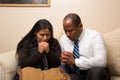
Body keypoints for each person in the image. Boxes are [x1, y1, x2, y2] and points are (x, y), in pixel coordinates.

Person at [60, 13, 110, 80]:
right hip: (75, 74)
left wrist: (75, 61)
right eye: (65, 31)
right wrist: (65, 60)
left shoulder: (95, 36)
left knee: (96, 71)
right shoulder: (63, 39)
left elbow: (101, 61)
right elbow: (63, 63)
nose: (67, 34)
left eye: (70, 31)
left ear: (80, 26)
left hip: (93, 72)